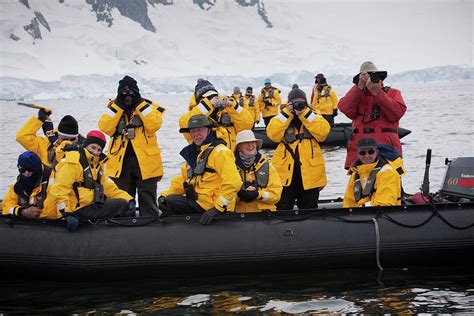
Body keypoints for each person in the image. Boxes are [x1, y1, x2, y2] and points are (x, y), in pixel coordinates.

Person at [98, 75, 165, 216]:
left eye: (131, 93)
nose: (128, 97)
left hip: (146, 164)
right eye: (124, 93)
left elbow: (154, 125)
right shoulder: (114, 109)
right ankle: (124, 229)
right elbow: (105, 126)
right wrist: (119, 105)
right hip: (121, 164)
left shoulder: (148, 107)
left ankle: (150, 225)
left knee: (148, 201)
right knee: (122, 201)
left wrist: (139, 102)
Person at [159, 115, 242, 225]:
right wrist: (163, 196)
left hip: (216, 207)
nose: (196, 135)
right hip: (200, 203)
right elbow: (182, 181)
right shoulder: (195, 153)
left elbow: (234, 182)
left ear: (208, 130)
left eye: (199, 130)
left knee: (172, 201)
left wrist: (217, 209)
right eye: (193, 131)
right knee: (167, 200)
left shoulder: (220, 152)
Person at [49, 130, 135, 231]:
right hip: (76, 209)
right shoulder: (73, 162)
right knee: (120, 204)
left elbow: (110, 189)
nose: (95, 152)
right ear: (86, 145)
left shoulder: (97, 165)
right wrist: (65, 213)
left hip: (90, 205)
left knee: (123, 202)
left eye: (99, 150)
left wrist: (129, 200)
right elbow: (59, 189)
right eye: (93, 147)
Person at [267, 88, 330, 210]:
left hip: (310, 174)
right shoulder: (282, 117)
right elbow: (272, 135)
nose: (297, 105)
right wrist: (287, 113)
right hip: (285, 174)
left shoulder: (314, 115)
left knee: (309, 207)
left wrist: (304, 112)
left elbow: (323, 132)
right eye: (294, 102)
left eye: (300, 102)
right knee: (283, 206)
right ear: (289, 103)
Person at [338, 61, 407, 169]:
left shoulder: (392, 93)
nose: (369, 79)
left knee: (390, 184)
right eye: (366, 76)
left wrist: (378, 93)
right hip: (360, 154)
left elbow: (397, 113)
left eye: (373, 76)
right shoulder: (356, 95)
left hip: (387, 153)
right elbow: (344, 108)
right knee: (358, 185)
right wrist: (359, 87)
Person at [179, 79, 253, 151]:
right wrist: (208, 105)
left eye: (214, 96)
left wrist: (234, 106)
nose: (212, 99)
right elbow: (184, 124)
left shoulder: (227, 112)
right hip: (210, 162)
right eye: (207, 98)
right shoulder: (191, 117)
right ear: (200, 100)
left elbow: (247, 124)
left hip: (231, 160)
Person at [343, 137, 405, 208]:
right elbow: (348, 201)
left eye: (370, 152)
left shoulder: (388, 172)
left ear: (377, 152)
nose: (367, 156)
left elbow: (385, 203)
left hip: (385, 214)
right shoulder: (355, 173)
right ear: (358, 153)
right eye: (362, 153)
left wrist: (359, 209)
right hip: (362, 213)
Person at [234, 130, 282, 212]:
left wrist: (258, 194)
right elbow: (224, 192)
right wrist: (239, 194)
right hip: (239, 215)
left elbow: (276, 195)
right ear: (239, 147)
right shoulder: (231, 166)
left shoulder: (268, 166)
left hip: (264, 215)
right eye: (246, 142)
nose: (250, 145)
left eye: (253, 142)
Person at [2, 151, 58, 219]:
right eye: (22, 170)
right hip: (26, 223)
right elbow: (6, 204)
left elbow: (51, 212)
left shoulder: (52, 179)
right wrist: (22, 211)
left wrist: (34, 214)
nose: (26, 173)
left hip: (48, 224)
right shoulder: (18, 182)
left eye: (29, 169)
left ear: (36, 168)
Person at [16, 112, 80, 167]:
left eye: (72, 139)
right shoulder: (45, 145)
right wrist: (39, 120)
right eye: (64, 139)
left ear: (77, 138)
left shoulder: (83, 148)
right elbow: (22, 136)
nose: (68, 142)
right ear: (58, 135)